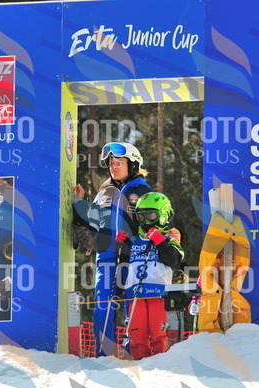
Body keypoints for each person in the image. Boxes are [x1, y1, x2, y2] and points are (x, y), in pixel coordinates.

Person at [73, 142, 152, 356]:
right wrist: (80, 203)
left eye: (119, 163)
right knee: (102, 308)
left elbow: (158, 220)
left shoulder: (143, 192)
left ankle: (133, 353)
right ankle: (104, 356)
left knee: (133, 309)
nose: (113, 167)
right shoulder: (104, 192)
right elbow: (92, 221)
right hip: (106, 257)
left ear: (133, 164)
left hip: (134, 257)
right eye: (111, 164)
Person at [122, 192, 184, 360]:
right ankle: (139, 364)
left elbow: (174, 260)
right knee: (137, 333)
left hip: (159, 294)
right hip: (135, 295)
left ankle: (161, 364)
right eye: (141, 216)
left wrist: (161, 242)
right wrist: (122, 244)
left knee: (159, 333)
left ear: (163, 214)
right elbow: (123, 265)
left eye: (150, 215)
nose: (145, 220)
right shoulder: (134, 240)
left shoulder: (170, 239)